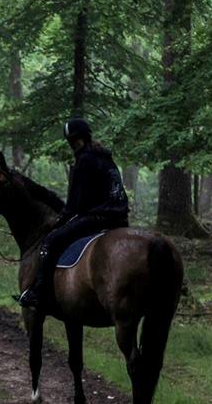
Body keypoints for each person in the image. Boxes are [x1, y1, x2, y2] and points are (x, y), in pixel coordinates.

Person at [18, 117, 130, 309]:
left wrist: (61, 220)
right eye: (72, 140)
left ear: (82, 139)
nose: (73, 144)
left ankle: (39, 293)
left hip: (98, 217)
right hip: (120, 218)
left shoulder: (85, 160)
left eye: (74, 140)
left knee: (50, 242)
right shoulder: (105, 157)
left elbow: (77, 202)